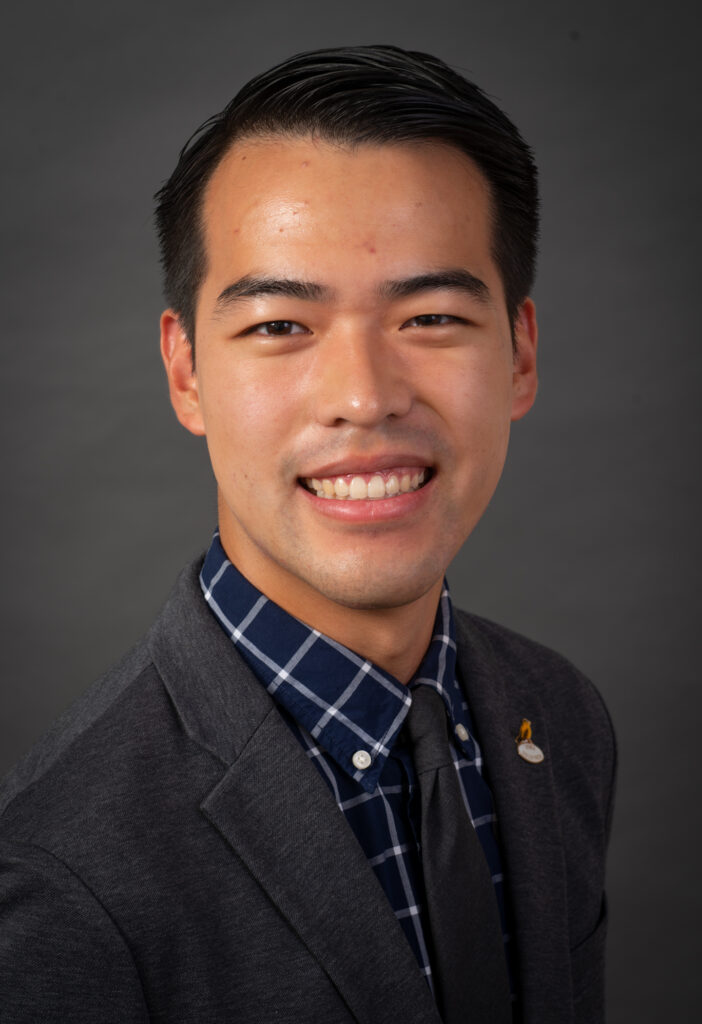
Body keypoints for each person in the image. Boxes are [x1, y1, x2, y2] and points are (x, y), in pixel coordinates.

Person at [0, 45, 615, 1023]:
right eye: (281, 326)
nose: (364, 397)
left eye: (431, 315)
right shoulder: (56, 886)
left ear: (519, 353)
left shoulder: (560, 719)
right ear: (186, 372)